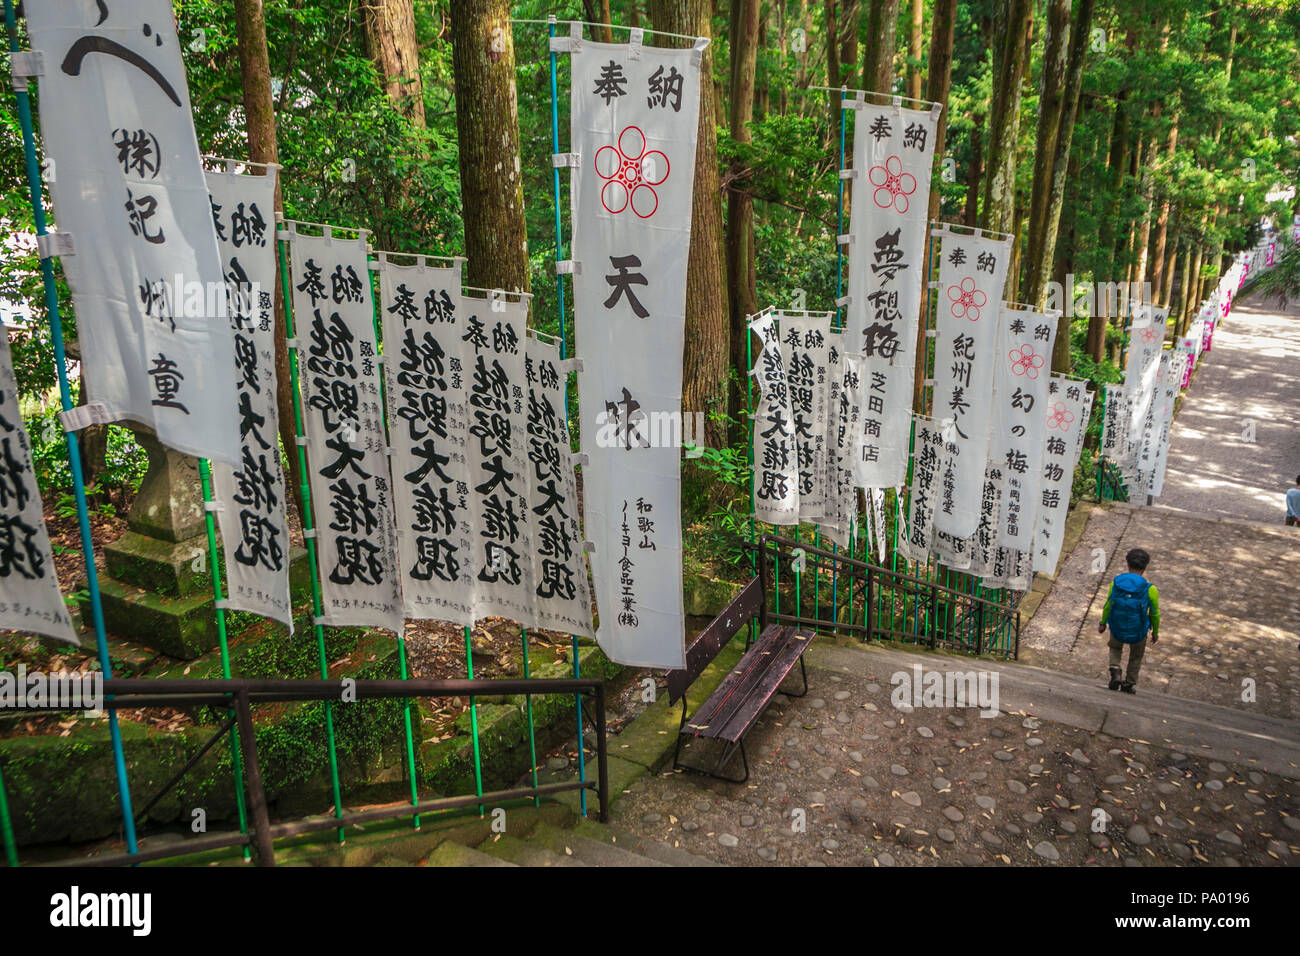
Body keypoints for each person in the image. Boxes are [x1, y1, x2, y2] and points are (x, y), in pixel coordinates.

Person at [1096, 548, 1159, 694]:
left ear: (1127, 564)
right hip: (1139, 629)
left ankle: (1115, 670)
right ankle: (1129, 683)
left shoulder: (1116, 583)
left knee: (1115, 647)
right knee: (1136, 656)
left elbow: (1108, 604)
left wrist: (1103, 622)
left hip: (1117, 625)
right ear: (1145, 567)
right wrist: (1155, 632)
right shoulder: (1150, 589)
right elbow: (1155, 614)